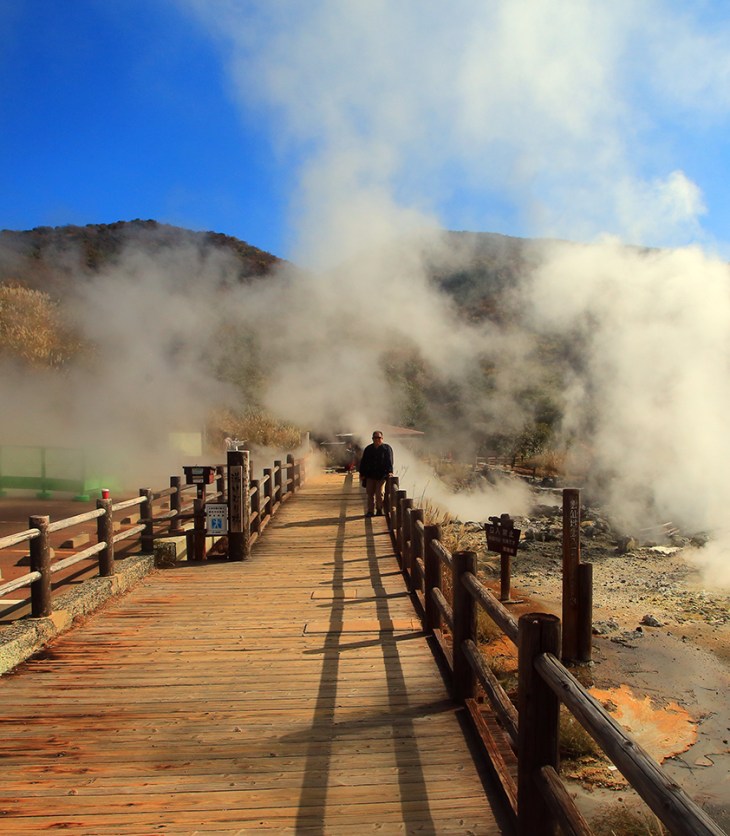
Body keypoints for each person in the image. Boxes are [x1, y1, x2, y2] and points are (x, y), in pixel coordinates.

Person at [358, 430, 393, 517]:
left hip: (381, 475)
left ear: (382, 438)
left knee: (379, 493)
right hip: (370, 475)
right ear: (372, 439)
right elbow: (363, 462)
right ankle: (370, 511)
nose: (377, 439)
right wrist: (362, 473)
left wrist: (390, 472)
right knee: (370, 494)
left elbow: (389, 461)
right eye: (375, 438)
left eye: (379, 438)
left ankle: (379, 509)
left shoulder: (386, 448)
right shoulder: (368, 449)